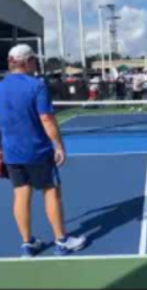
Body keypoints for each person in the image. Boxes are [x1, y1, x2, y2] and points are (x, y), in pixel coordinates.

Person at [0, 44, 86, 257]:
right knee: (51, 192)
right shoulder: (36, 85)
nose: (36, 63)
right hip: (38, 152)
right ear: (27, 61)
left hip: (12, 153)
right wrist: (59, 145)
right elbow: (46, 119)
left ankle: (27, 244)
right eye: (34, 60)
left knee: (21, 195)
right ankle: (62, 241)